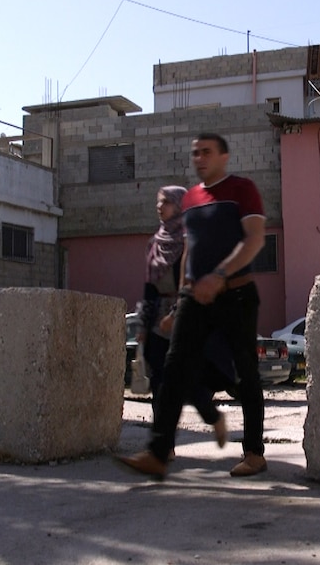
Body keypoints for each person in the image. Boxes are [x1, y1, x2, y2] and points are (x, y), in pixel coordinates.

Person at [117, 133, 267, 479]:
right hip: (194, 298)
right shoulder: (192, 199)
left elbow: (255, 239)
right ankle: (157, 452)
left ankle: (254, 453)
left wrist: (220, 275)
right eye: (195, 153)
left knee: (245, 373)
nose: (199, 158)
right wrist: (180, 298)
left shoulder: (242, 189)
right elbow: (190, 251)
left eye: (207, 152)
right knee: (173, 368)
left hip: (236, 294)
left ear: (224, 156)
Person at [136, 186, 225, 452]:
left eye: (165, 202)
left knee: (186, 379)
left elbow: (194, 282)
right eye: (158, 202)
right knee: (159, 383)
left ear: (178, 204)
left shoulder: (190, 240)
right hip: (156, 322)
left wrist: (177, 314)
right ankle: (164, 445)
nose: (159, 207)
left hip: (185, 314)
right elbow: (149, 288)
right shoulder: (155, 243)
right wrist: (143, 325)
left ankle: (213, 416)